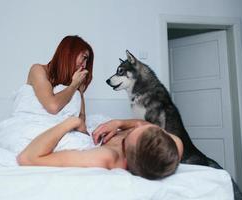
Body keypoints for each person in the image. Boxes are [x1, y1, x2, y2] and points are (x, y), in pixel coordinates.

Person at [17, 117, 184, 180]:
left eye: (131, 133)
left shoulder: (106, 157)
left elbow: (28, 158)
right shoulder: (173, 146)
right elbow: (144, 124)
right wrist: (119, 123)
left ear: (126, 159)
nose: (137, 125)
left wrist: (72, 122)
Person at [27, 35, 94, 133]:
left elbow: (81, 118)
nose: (84, 65)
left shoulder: (73, 81)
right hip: (34, 128)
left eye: (87, 61)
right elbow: (53, 107)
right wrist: (74, 85)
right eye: (84, 58)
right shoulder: (38, 70)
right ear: (70, 54)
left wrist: (78, 88)